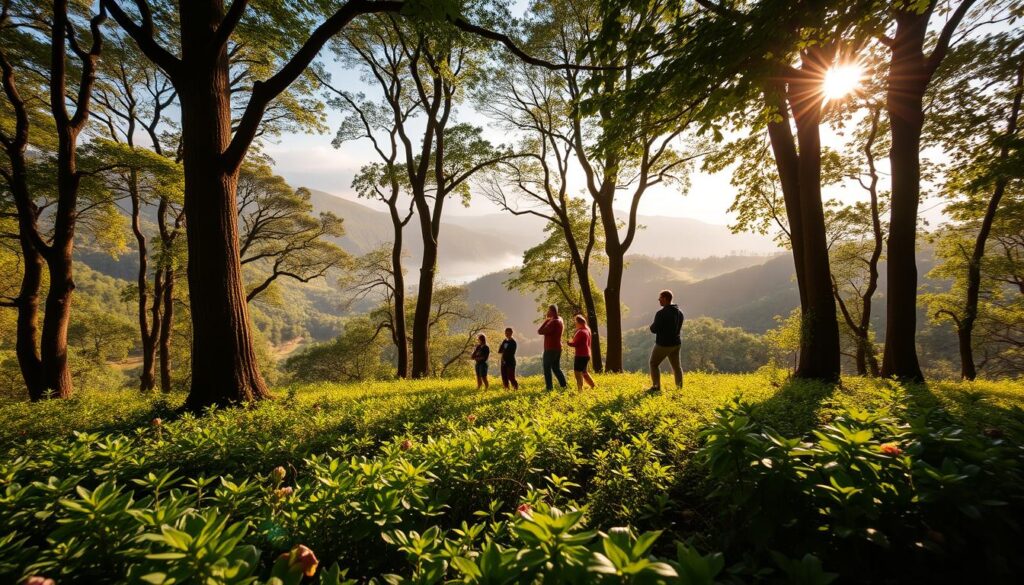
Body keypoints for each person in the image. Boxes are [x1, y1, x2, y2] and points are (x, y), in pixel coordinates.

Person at [647, 289, 684, 392]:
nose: (659, 300)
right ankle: (679, 389)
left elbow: (654, 329)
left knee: (653, 363)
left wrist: (651, 326)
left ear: (665, 298)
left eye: (660, 298)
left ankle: (656, 387)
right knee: (677, 367)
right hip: (676, 343)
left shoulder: (661, 313)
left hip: (664, 344)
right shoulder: (679, 312)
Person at [537, 304, 568, 390]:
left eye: (548, 310)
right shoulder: (560, 319)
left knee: (547, 368)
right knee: (556, 368)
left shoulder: (553, 322)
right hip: (558, 348)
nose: (547, 312)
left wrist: (546, 320)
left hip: (550, 348)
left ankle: (549, 388)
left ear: (552, 311)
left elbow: (540, 331)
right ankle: (564, 385)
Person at [566, 315, 597, 391]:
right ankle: (593, 386)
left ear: (578, 322)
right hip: (586, 354)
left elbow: (576, 343)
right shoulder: (587, 330)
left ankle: (580, 389)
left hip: (580, 355)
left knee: (577, 372)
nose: (575, 324)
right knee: (584, 372)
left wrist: (568, 343)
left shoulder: (581, 332)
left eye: (575, 322)